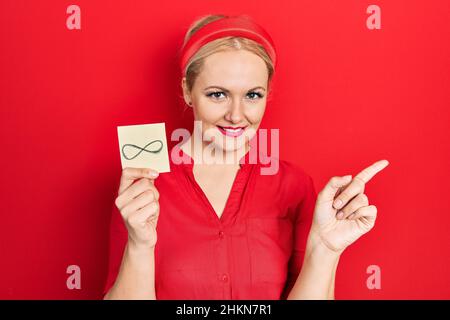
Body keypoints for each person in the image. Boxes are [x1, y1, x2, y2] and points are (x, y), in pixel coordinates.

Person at [103, 14, 389, 300]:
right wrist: (140, 246)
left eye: (253, 95)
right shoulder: (145, 183)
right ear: (187, 91)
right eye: (217, 95)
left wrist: (325, 250)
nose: (236, 115)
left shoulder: (294, 186)